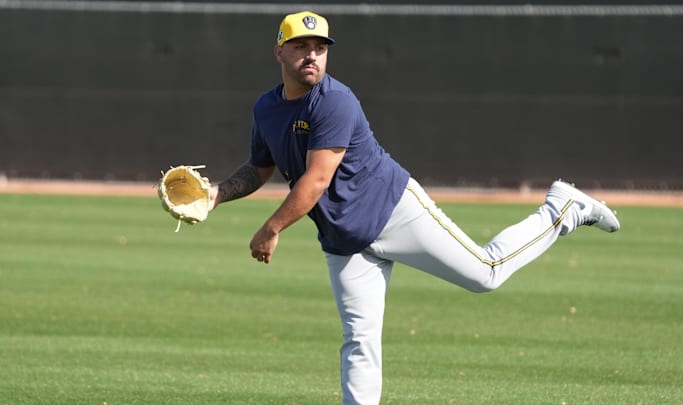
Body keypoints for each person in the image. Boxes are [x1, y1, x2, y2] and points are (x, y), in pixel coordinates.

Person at [208, 11, 620, 405]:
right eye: (300, 46)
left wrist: (271, 228)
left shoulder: (334, 101)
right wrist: (216, 194)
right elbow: (260, 165)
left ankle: (560, 209)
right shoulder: (266, 108)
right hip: (345, 238)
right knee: (360, 339)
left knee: (487, 273)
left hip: (394, 211)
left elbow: (315, 181)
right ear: (279, 52)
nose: (312, 55)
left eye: (320, 46)